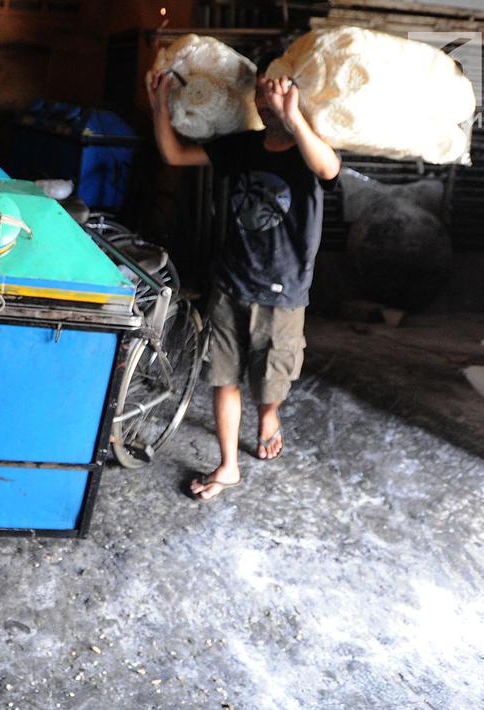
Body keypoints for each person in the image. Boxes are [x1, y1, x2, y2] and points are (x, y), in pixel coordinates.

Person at [145, 59, 341, 501]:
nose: (264, 98)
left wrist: (293, 117)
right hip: (230, 283)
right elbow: (174, 155)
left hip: (282, 291)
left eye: (275, 90)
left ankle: (269, 415)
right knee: (224, 377)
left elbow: (329, 170)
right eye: (260, 92)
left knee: (271, 382)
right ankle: (229, 465)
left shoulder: (310, 148)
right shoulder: (241, 147)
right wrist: (159, 104)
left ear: (293, 96)